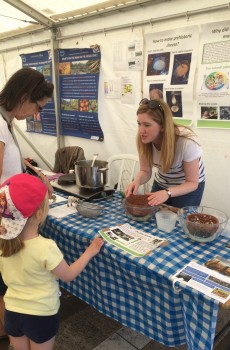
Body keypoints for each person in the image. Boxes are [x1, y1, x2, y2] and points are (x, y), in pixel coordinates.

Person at [0, 173, 104, 350]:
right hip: (41, 315)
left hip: (12, 312)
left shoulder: (3, 244)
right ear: (40, 214)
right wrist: (89, 252)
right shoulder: (46, 247)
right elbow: (68, 275)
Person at [0, 67, 54, 347]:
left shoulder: (6, 121)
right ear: (23, 96)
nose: (36, 113)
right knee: (4, 279)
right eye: (37, 105)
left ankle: (12, 332)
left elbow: (9, 167)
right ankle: (9, 332)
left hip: (9, 215)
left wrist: (31, 172)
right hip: (5, 217)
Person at [125, 98, 205, 208]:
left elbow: (192, 183)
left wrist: (167, 193)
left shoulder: (186, 142)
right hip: (162, 182)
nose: (141, 131)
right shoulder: (143, 139)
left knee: (180, 220)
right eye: (139, 124)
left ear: (162, 126)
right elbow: (145, 171)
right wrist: (137, 181)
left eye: (147, 125)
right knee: (154, 215)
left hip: (187, 186)